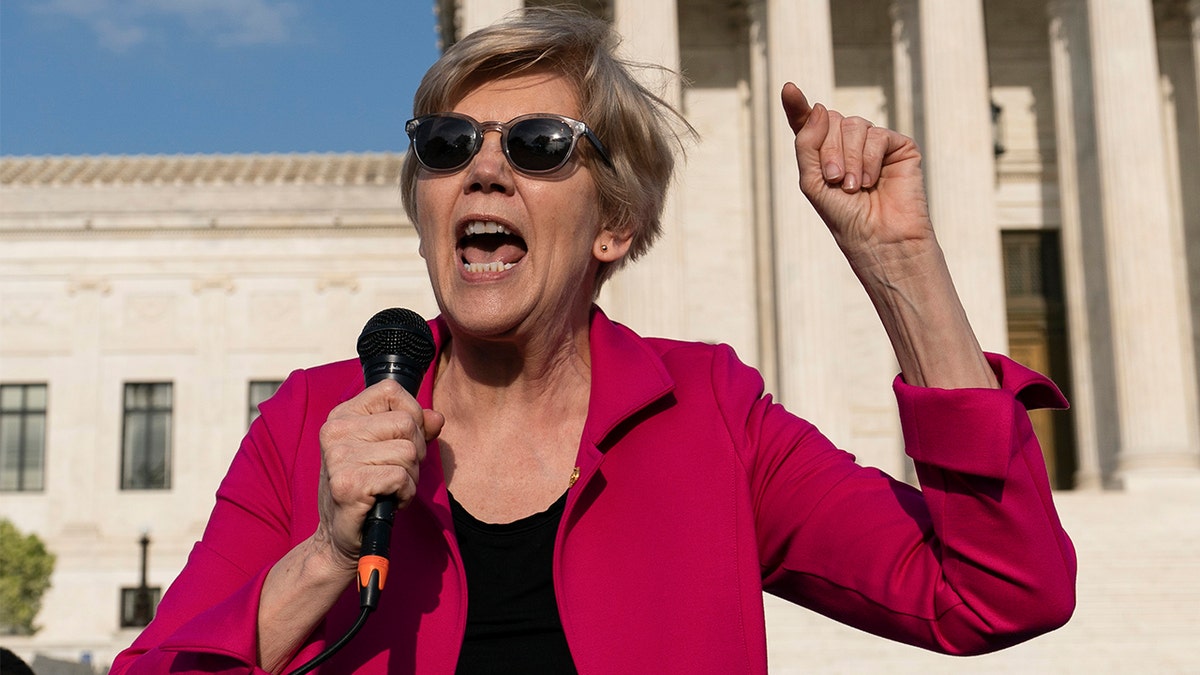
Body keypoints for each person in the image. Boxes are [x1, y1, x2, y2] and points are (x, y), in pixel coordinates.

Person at [110, 7, 1075, 674]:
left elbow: (998, 591)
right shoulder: (315, 421)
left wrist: (902, 264)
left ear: (614, 225)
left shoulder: (710, 416)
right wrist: (323, 552)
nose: (483, 171)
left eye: (536, 145)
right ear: (423, 204)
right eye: (448, 147)